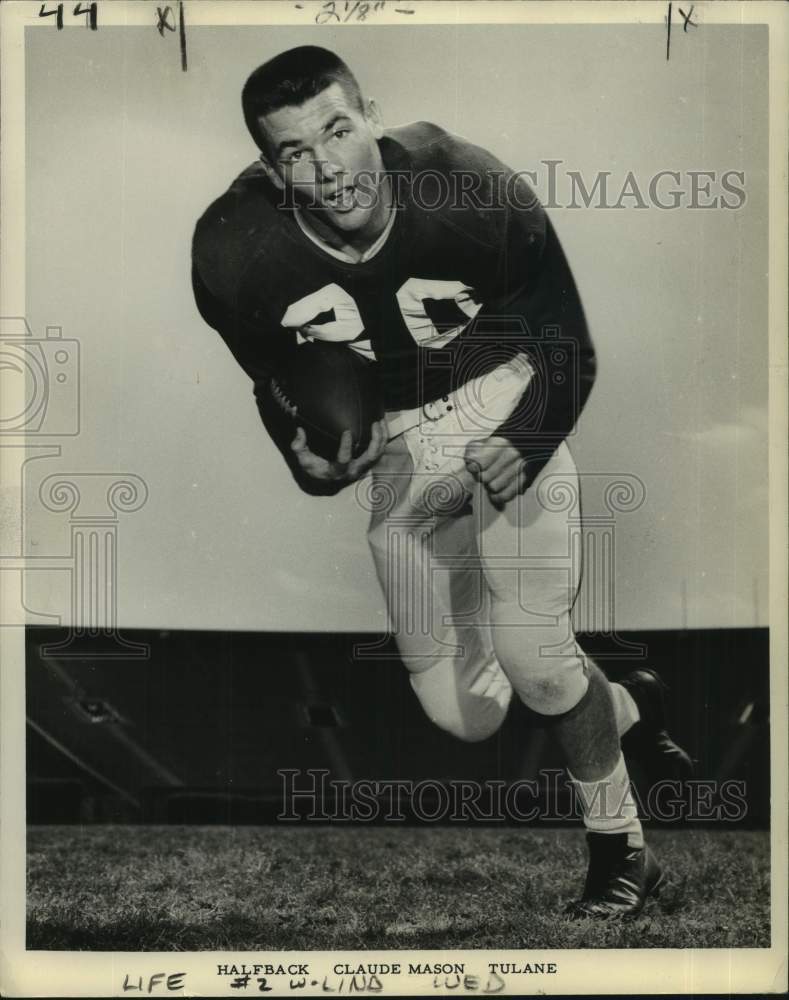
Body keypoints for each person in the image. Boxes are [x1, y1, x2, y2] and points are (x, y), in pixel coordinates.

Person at [191, 46, 692, 917]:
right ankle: (624, 708)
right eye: (295, 152)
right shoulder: (236, 249)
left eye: (337, 130)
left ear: (369, 115)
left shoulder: (466, 187)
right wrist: (301, 455)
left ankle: (623, 854)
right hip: (396, 455)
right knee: (466, 716)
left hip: (502, 402)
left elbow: (566, 342)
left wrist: (528, 439)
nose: (327, 167)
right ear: (270, 169)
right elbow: (275, 380)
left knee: (535, 660)